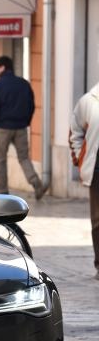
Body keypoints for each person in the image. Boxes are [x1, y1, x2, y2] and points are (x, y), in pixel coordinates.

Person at [0, 55, 46, 200]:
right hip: (21, 127)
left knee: (1, 159)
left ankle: (2, 192)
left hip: (3, 127)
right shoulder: (24, 84)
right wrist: (26, 121)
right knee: (24, 158)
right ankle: (36, 183)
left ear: (3, 67)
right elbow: (31, 105)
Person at [69, 80, 99, 280]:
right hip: (97, 170)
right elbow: (75, 132)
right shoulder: (89, 101)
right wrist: (80, 158)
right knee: (98, 220)